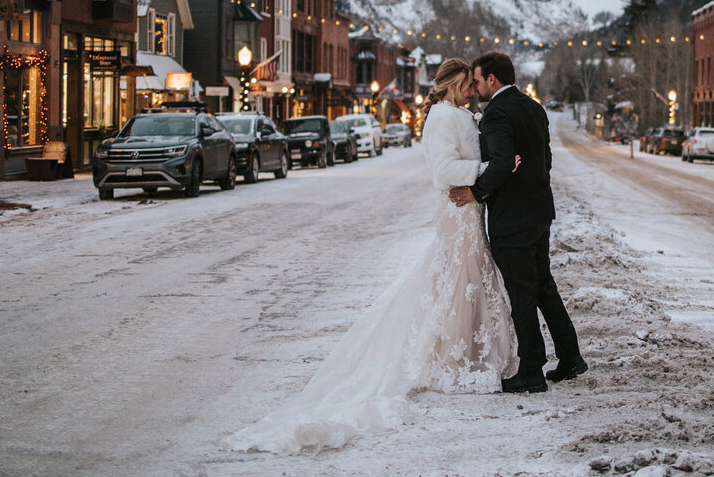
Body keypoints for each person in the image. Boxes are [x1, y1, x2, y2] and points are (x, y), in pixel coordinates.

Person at [225, 58, 519, 453]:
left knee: (466, 282)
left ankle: (465, 351)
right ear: (451, 85)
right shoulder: (441, 118)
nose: (472, 89)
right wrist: (488, 167)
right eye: (467, 83)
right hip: (456, 209)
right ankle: (451, 359)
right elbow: (443, 170)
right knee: (459, 281)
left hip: (471, 209)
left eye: (473, 83)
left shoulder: (462, 115)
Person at [449, 51, 586, 394]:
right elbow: (546, 159)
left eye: (478, 80)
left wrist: (474, 192)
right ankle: (570, 357)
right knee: (543, 287)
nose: (476, 87)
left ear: (492, 79)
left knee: (522, 293)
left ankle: (531, 370)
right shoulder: (533, 107)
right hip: (540, 211)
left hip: (512, 218)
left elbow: (501, 163)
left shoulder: (496, 113)